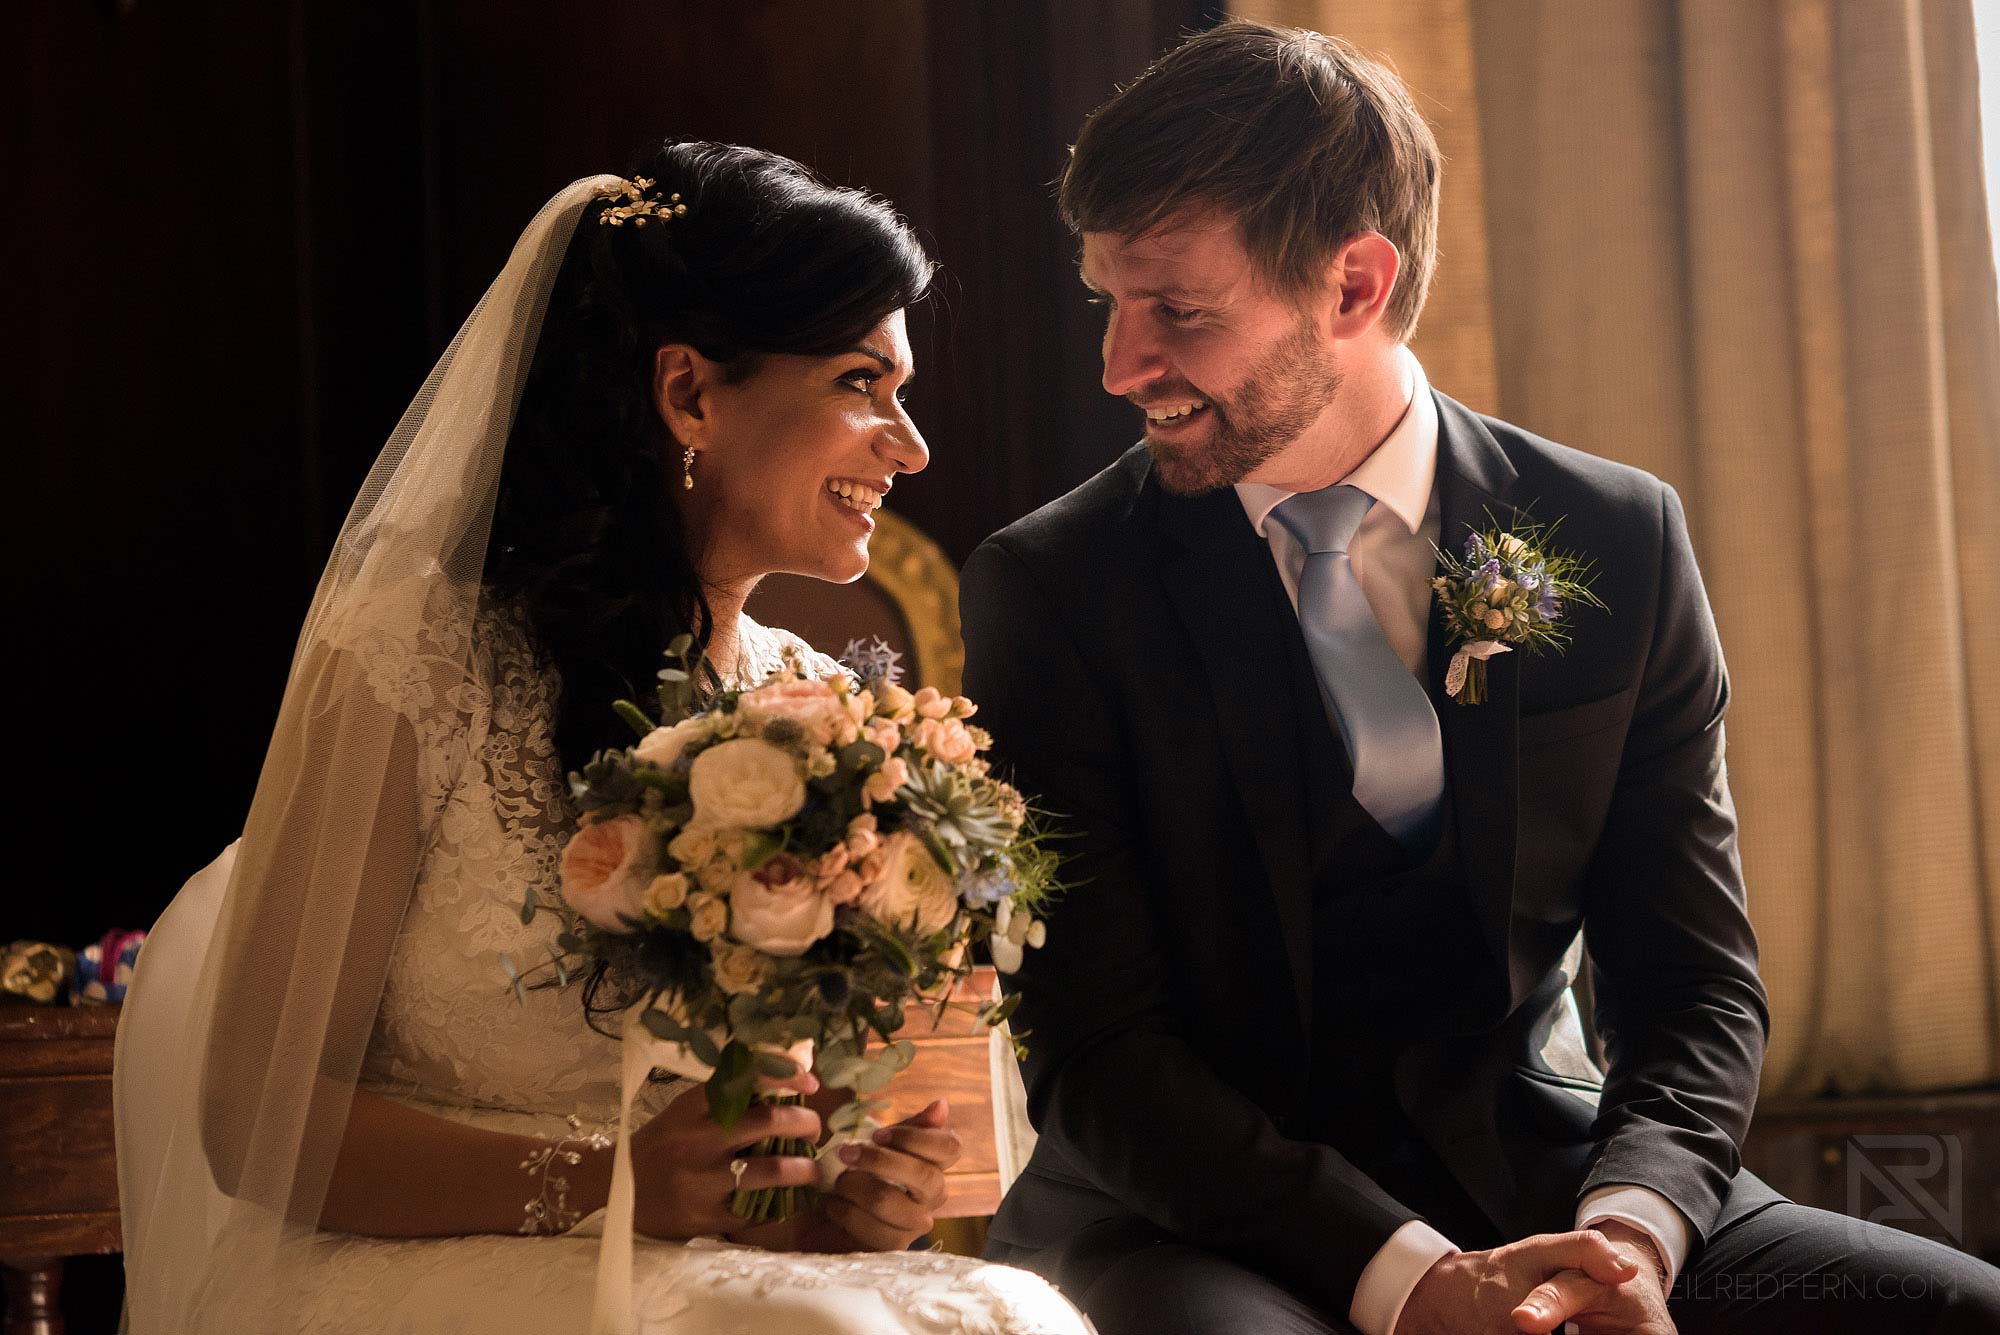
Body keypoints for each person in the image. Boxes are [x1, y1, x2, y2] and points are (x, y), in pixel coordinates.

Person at [961, 21, 2000, 1335]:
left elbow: (1696, 987)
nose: (1120, 366)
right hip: (1188, 1218)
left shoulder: (1619, 535)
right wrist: (1412, 1279)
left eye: (1178, 310)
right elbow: (1097, 1050)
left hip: (1553, 1177)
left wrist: (1628, 1234)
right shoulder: (1052, 588)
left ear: (1355, 284)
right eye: (1110, 300)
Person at [115, 141, 1092, 1335]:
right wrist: (602, 1188)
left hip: (704, 1283)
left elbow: (755, 1145)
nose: (910, 445)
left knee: (1011, 1312)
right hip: (417, 1276)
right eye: (858, 384)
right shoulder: (420, 663)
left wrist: (833, 1200)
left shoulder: (820, 710)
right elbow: (250, 1120)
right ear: (688, 394)